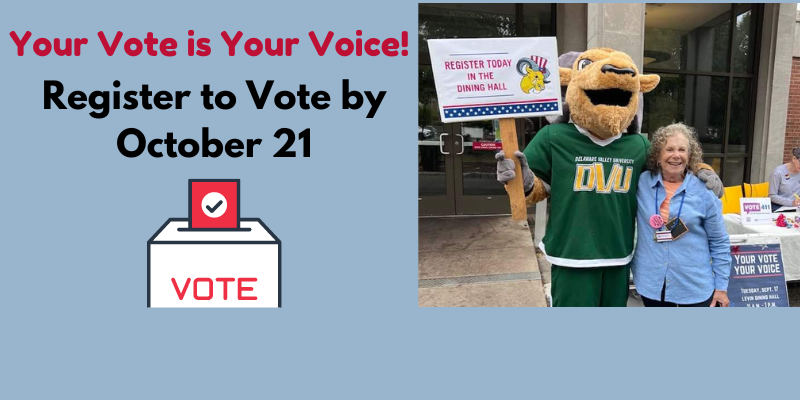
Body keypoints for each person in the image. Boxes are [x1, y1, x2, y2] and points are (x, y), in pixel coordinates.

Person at [631, 123, 731, 307]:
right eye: (669, 149)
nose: (676, 155)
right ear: (658, 156)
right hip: (651, 283)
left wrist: (721, 288)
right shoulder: (641, 182)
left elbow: (719, 242)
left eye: (682, 150)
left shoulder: (704, 192)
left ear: (690, 156)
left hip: (693, 285)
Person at [768, 147, 800, 211]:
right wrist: (791, 202)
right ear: (794, 159)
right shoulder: (778, 172)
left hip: (796, 209)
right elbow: (772, 196)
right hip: (779, 208)